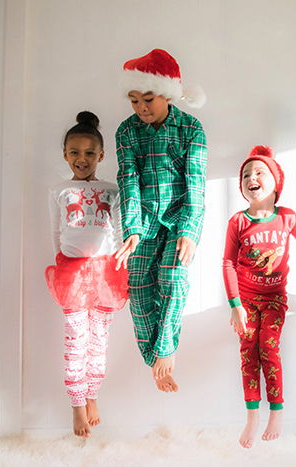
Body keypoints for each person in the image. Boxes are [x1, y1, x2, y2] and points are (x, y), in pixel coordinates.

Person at [114, 49, 207, 392]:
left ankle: (165, 351)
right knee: (137, 291)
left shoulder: (191, 129)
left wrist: (190, 232)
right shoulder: (127, 132)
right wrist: (133, 231)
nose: (141, 108)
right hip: (145, 224)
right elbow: (129, 181)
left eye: (148, 99)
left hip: (180, 219)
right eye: (134, 100)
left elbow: (196, 185)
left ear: (166, 94)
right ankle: (154, 358)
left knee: (172, 278)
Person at [222, 145, 296, 448]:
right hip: (247, 300)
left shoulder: (287, 218)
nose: (252, 177)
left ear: (276, 182)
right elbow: (227, 263)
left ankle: (276, 411)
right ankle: (252, 416)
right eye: (246, 174)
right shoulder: (238, 221)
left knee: (268, 348)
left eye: (260, 172)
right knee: (247, 353)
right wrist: (235, 305)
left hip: (275, 298)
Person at [45, 111, 128, 437]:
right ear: (65, 154)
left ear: (101, 156)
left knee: (99, 343)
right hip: (73, 274)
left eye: (90, 153)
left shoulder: (112, 189)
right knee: (76, 342)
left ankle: (93, 394)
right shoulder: (59, 189)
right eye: (75, 152)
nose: (82, 159)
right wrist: (65, 264)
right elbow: (56, 231)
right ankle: (77, 404)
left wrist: (123, 270)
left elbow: (120, 231)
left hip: (107, 273)